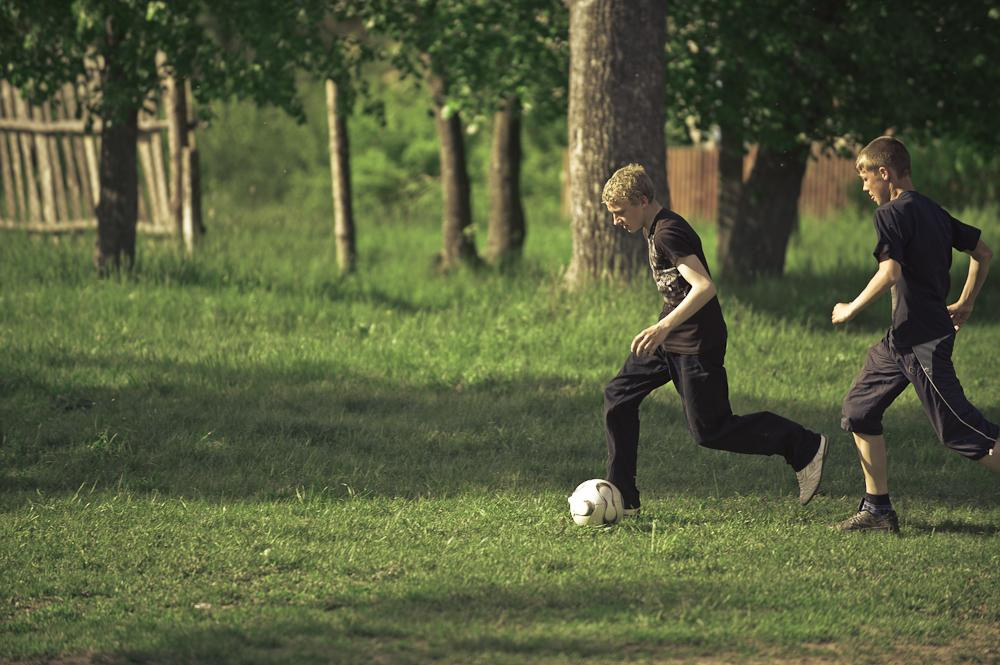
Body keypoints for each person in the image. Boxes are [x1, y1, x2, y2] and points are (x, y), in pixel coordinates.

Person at [601, 163, 828, 516]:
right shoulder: (653, 228)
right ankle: (623, 496)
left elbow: (705, 287)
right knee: (618, 395)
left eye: (619, 212)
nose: (616, 220)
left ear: (642, 200)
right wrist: (663, 329)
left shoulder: (668, 232)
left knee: (711, 430)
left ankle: (802, 444)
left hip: (695, 343)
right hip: (670, 338)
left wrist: (662, 328)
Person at [831, 135, 1000, 533]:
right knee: (859, 410)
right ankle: (877, 510)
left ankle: (877, 511)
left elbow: (890, 272)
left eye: (866, 177)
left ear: (884, 173)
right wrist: (967, 302)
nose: (864, 187)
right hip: (900, 340)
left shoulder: (890, 214)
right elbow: (984, 253)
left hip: (922, 340)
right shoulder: (934, 211)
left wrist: (851, 308)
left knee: (960, 429)